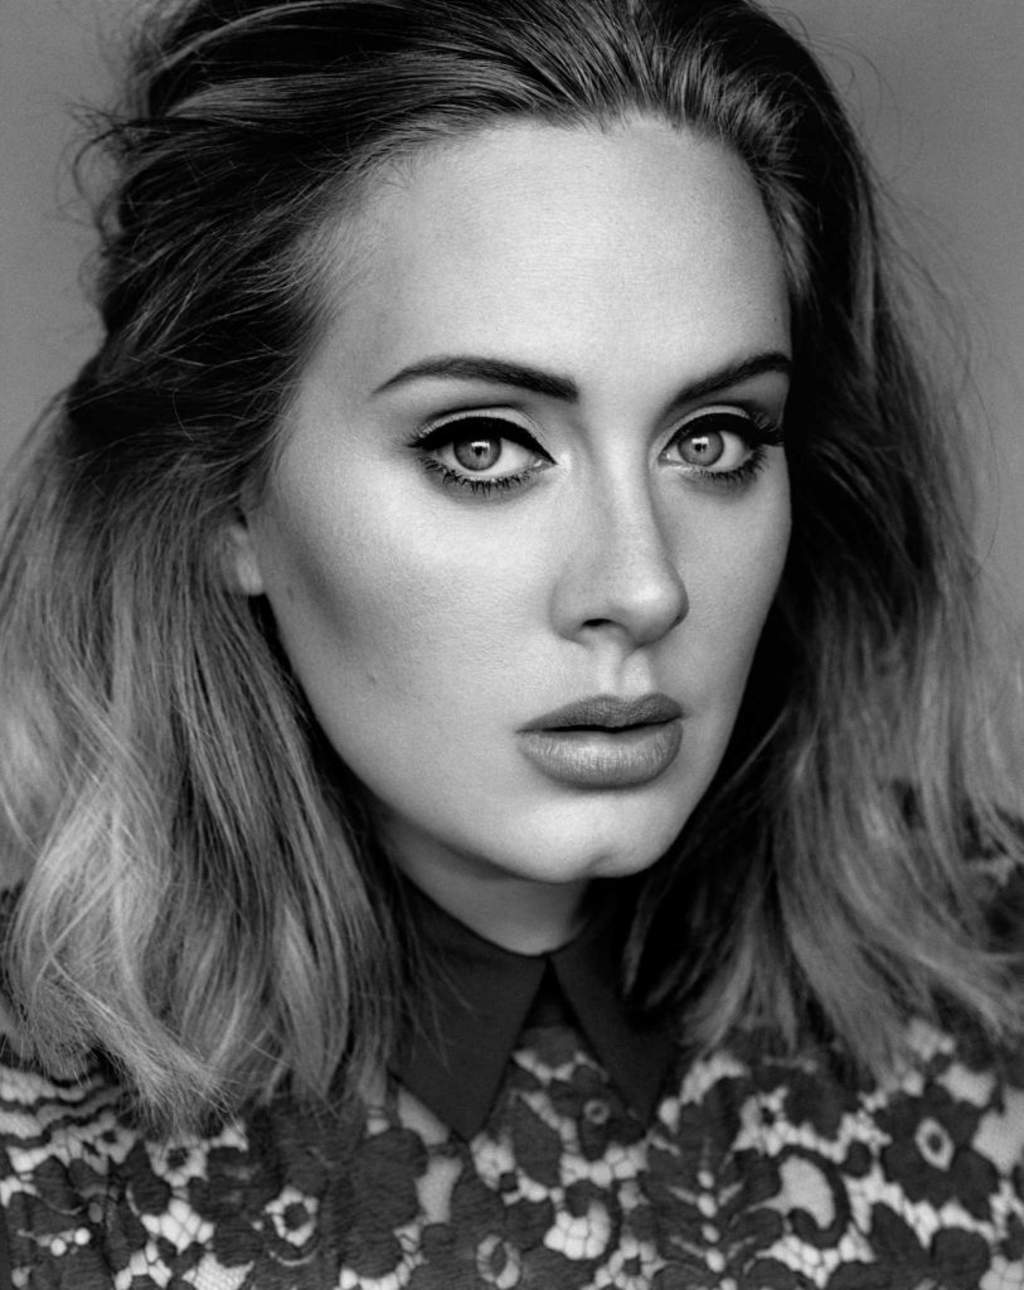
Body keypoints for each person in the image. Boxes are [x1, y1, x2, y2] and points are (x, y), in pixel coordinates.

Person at [0, 0, 1022, 1285]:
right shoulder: (35, 1161)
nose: (642, 588)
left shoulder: (994, 985)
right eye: (481, 446)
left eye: (712, 438)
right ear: (224, 499)